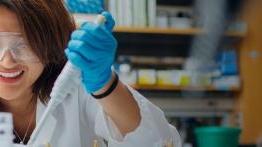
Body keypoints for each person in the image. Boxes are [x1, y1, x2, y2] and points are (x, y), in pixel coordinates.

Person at [0, 0, 181, 147]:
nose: (7, 62)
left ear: (50, 45)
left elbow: (157, 142)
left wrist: (105, 86)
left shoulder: (75, 85)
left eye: (24, 45)